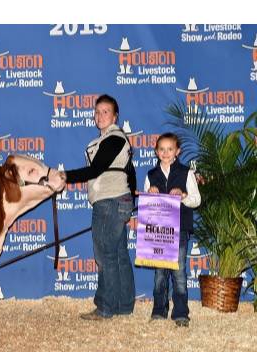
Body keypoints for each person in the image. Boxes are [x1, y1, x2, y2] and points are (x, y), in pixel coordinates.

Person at [63, 94, 136, 320]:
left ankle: (105, 308)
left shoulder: (114, 138)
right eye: (97, 112)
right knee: (119, 254)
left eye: (106, 111)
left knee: (105, 255)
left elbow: (95, 170)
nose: (100, 115)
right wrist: (130, 203)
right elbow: (131, 173)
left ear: (115, 117)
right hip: (119, 200)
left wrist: (64, 176)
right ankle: (124, 305)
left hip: (108, 201)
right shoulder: (116, 140)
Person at [144, 132, 201, 327]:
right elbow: (146, 204)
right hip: (158, 232)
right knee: (160, 273)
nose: (165, 152)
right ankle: (159, 310)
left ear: (177, 151)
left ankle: (181, 313)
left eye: (170, 149)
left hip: (180, 230)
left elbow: (196, 200)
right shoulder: (151, 175)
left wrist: (183, 195)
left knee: (179, 273)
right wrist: (150, 193)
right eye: (162, 149)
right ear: (156, 152)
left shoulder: (186, 173)